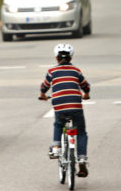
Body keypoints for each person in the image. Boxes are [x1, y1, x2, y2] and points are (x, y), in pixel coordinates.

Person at [39, 43, 91, 177]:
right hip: (75, 105)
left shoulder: (52, 71)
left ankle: (56, 147)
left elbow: (44, 86)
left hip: (59, 105)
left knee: (58, 124)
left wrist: (42, 95)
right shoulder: (76, 71)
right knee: (81, 132)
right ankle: (82, 158)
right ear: (71, 57)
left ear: (56, 58)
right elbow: (85, 85)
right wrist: (86, 94)